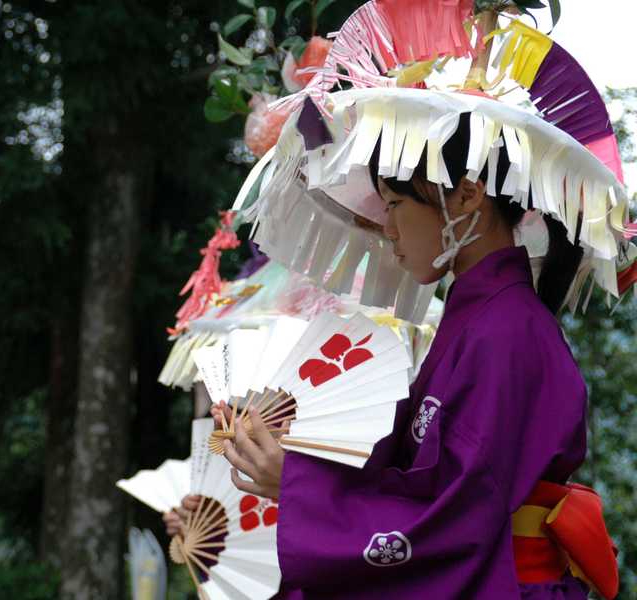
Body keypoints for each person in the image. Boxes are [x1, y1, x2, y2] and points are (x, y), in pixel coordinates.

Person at [220, 113, 619, 598]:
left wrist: (303, 488)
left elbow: (457, 517)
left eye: (393, 204)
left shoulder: (507, 330)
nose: (387, 229)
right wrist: (307, 458)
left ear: (468, 196)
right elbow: (427, 479)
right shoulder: (482, 316)